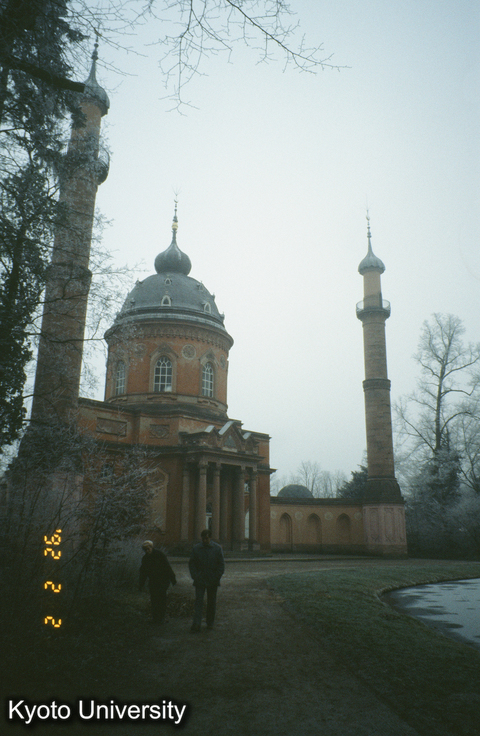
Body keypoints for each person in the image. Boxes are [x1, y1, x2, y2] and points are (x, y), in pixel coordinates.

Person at [188, 529, 225, 632]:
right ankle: (196, 623)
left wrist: (216, 577)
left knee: (211, 602)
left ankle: (210, 622)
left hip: (212, 580)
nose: (205, 540)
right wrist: (195, 576)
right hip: (200, 579)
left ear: (210, 538)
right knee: (198, 602)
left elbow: (221, 565)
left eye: (207, 538)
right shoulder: (196, 548)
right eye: (203, 538)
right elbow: (192, 564)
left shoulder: (217, 549)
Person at [139, 540, 176, 624]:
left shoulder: (159, 554)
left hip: (163, 580)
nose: (147, 551)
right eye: (145, 550)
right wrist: (141, 584)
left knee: (161, 599)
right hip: (153, 581)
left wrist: (172, 578)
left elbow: (167, 566)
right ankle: (155, 618)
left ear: (151, 547)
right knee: (154, 599)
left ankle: (161, 618)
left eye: (148, 549)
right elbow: (143, 572)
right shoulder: (145, 559)